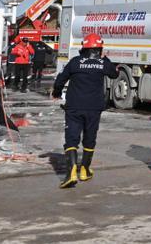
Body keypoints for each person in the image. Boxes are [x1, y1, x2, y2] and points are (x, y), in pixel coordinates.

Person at [52, 33, 117, 189]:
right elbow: (115, 74)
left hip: (74, 106)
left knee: (71, 138)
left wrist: (56, 92)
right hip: (94, 107)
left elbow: (61, 79)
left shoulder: (75, 62)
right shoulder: (103, 64)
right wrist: (105, 59)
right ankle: (85, 170)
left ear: (84, 47)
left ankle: (71, 172)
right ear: (100, 48)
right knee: (90, 137)